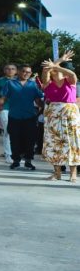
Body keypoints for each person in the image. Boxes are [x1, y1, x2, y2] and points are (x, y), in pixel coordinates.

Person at [40, 52, 80, 182]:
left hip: (69, 113)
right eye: (53, 70)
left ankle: (73, 173)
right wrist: (59, 60)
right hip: (53, 113)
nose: (54, 71)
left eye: (56, 69)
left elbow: (72, 74)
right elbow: (46, 69)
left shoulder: (70, 81)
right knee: (54, 142)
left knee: (71, 142)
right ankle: (57, 173)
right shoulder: (47, 84)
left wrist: (56, 64)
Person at [0, 64, 45, 170]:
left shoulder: (33, 85)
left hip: (30, 117)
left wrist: (46, 107)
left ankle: (28, 161)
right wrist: (0, 106)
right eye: (24, 71)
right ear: (18, 72)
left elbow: (38, 101)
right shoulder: (9, 83)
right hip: (14, 116)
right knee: (15, 139)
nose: (26, 74)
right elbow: (3, 97)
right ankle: (16, 161)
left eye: (29, 72)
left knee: (30, 140)